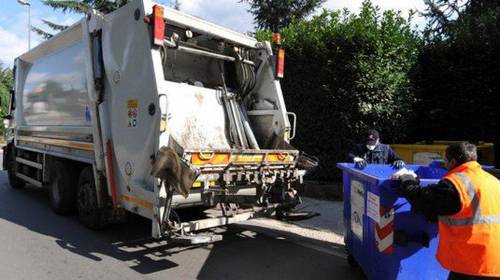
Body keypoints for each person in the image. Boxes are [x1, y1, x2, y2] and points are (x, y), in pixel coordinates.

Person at [396, 142, 500, 280]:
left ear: (453, 162)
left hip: (472, 263)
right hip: (493, 260)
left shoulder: (456, 184)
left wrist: (407, 179)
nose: (444, 164)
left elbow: (423, 202)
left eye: (445, 160)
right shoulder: (493, 180)